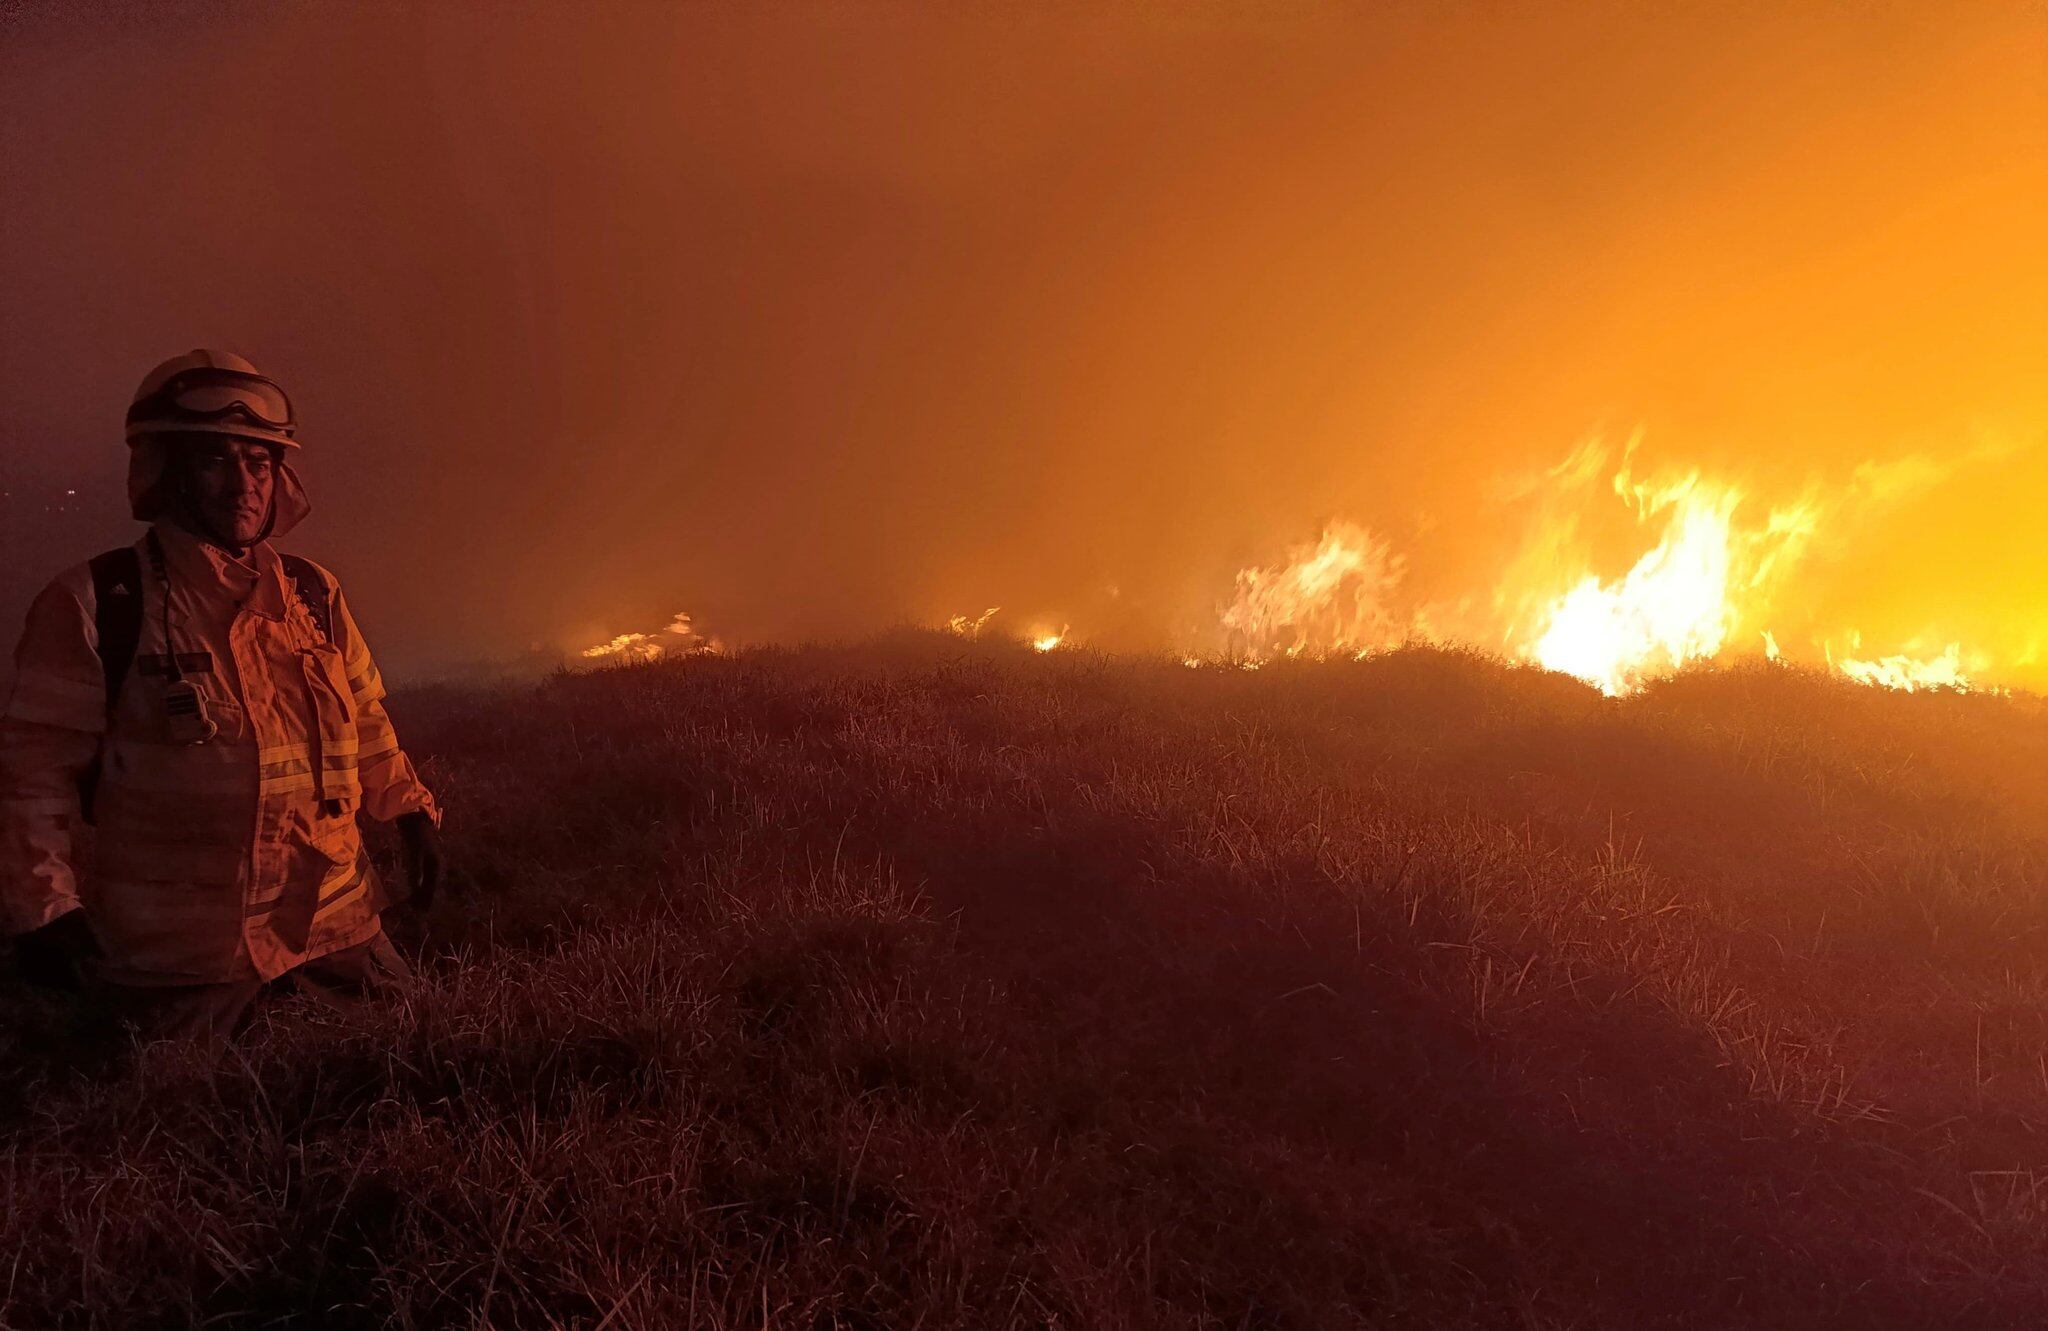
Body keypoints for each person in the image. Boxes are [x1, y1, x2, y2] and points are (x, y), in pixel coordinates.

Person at [0, 349, 442, 1044]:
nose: (244, 483)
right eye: (214, 460)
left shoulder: (313, 594)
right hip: (183, 966)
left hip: (337, 930)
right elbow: (33, 775)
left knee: (423, 1078)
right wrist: (44, 908)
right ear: (167, 473)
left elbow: (363, 717)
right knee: (179, 1129)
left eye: (258, 462)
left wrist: (410, 810)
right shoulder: (97, 604)